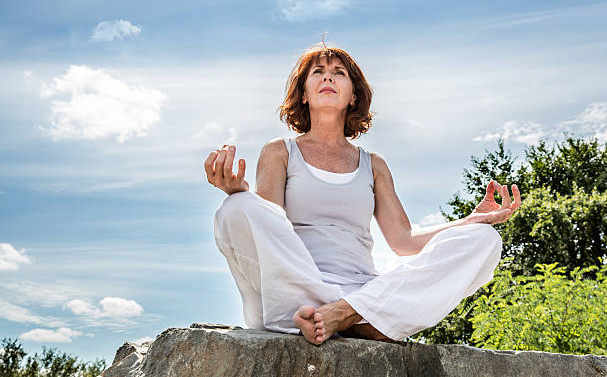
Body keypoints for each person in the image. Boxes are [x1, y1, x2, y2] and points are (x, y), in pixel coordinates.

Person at [204, 42, 521, 345]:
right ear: (303, 94)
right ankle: (345, 318)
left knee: (485, 240)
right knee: (235, 208)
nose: (328, 76)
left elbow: (404, 241)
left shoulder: (374, 165)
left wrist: (470, 220)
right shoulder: (280, 152)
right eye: (318, 71)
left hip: (361, 291)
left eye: (339, 72)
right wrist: (240, 192)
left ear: (354, 96)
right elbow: (269, 226)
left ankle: (344, 314)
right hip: (294, 288)